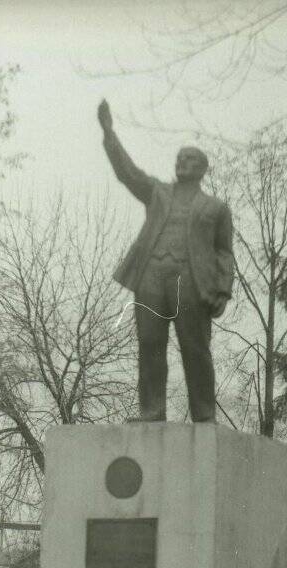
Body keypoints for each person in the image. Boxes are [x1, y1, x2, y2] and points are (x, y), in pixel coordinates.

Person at [97, 99, 234, 423]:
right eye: (179, 158)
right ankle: (152, 410)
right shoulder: (158, 192)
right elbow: (128, 173)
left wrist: (223, 290)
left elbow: (224, 252)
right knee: (149, 344)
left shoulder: (216, 208)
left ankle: (203, 415)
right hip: (152, 275)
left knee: (195, 348)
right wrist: (109, 133)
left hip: (191, 281)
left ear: (202, 168)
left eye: (190, 158)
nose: (182, 162)